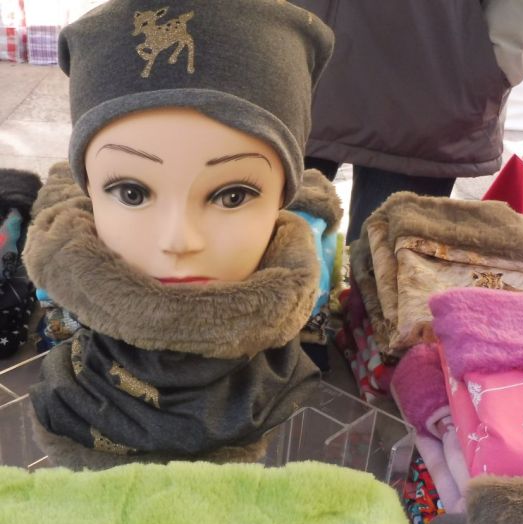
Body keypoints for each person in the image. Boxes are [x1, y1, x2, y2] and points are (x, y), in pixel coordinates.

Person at [22, 0, 338, 469]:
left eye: (232, 195)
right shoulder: (66, 394)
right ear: (89, 193)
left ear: (281, 202)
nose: (179, 240)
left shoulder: (290, 398)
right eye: (131, 192)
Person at [292, 0, 523, 243]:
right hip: (291, 49)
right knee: (273, 264)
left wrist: (499, 55)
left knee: (382, 275)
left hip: (430, 72)